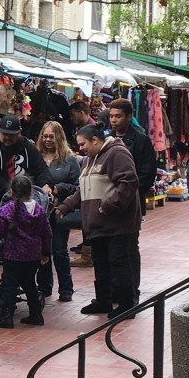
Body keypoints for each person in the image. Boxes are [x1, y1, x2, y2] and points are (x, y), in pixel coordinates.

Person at [55, 124, 141, 319]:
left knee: (118, 262)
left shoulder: (117, 153)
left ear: (95, 140)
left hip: (117, 223)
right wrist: (65, 207)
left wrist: (109, 205)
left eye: (82, 144)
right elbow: (82, 189)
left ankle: (127, 305)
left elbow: (129, 182)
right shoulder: (89, 160)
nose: (80, 149)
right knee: (100, 262)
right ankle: (103, 301)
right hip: (98, 224)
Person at [107, 98, 157, 305]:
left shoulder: (141, 140)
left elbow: (147, 172)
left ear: (129, 117)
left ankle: (131, 290)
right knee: (111, 248)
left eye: (118, 116)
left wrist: (130, 193)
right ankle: (114, 289)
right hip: (108, 201)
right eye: (111, 116)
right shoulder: (106, 138)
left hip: (131, 202)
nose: (113, 121)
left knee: (129, 246)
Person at [0, 174, 52, 328]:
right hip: (33, 255)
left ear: (12, 192)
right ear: (31, 192)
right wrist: (45, 252)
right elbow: (47, 233)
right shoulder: (40, 210)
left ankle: (6, 318)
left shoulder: (6, 210)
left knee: (10, 285)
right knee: (30, 283)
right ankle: (36, 315)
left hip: (13, 255)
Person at [0, 114, 47, 227]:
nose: (7, 138)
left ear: (20, 132)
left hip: (24, 211)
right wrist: (15, 192)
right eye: (4, 134)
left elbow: (41, 169)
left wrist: (46, 184)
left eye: (11, 135)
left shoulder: (28, 148)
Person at [37, 120, 80, 302]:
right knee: (41, 250)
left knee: (59, 249)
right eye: (45, 136)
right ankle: (44, 287)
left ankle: (66, 288)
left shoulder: (69, 159)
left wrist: (58, 188)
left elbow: (78, 186)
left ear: (59, 138)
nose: (47, 140)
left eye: (51, 136)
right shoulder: (36, 156)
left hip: (59, 211)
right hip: (39, 213)